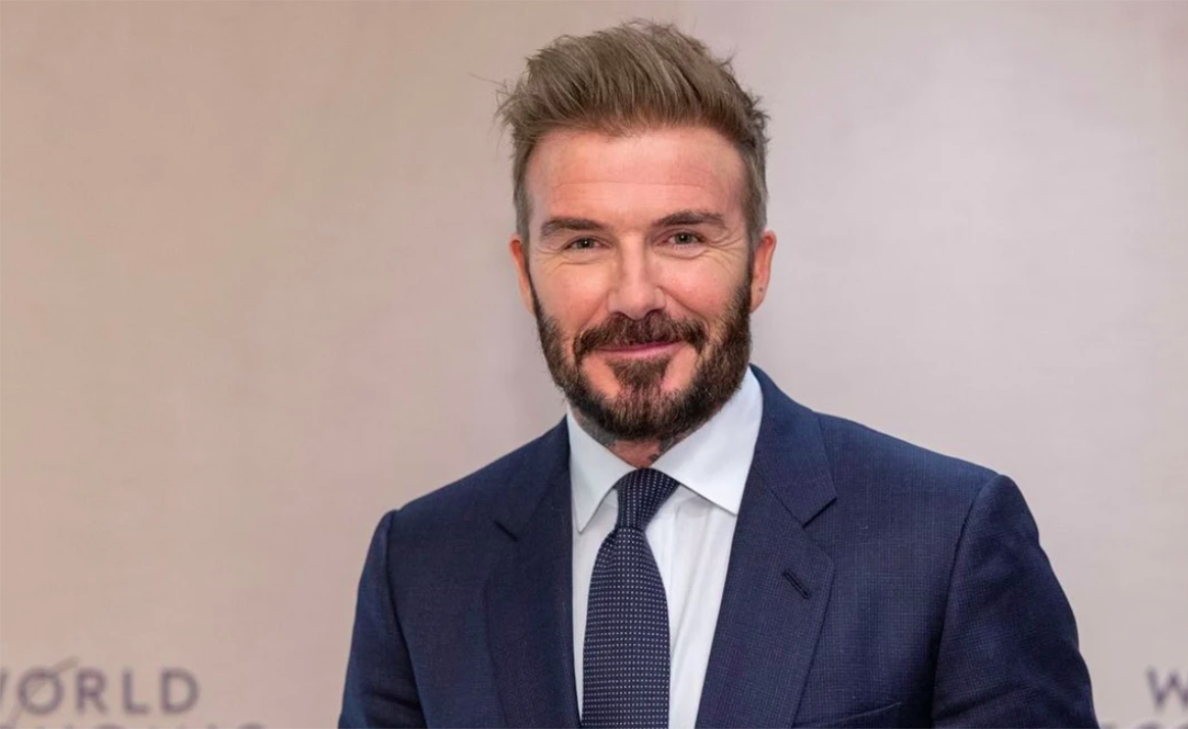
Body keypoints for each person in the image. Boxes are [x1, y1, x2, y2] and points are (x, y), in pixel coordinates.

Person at [339, 20, 1099, 729]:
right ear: (525, 273)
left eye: (682, 237)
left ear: (758, 267)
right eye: (583, 244)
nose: (635, 296)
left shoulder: (945, 540)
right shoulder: (422, 565)